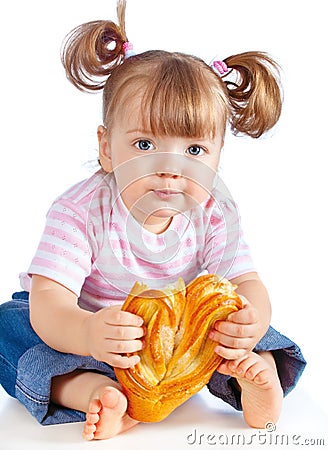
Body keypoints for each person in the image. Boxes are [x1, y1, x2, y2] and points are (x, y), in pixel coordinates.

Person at [0, 0, 305, 441]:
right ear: (107, 148)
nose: (171, 168)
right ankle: (94, 391)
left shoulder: (213, 213)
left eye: (195, 151)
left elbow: (247, 282)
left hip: (176, 345)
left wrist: (249, 324)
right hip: (92, 339)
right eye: (144, 145)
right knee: (12, 324)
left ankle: (255, 383)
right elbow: (50, 299)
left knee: (248, 324)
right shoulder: (81, 210)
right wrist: (86, 331)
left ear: (218, 158)